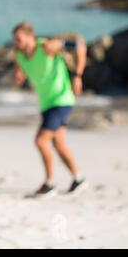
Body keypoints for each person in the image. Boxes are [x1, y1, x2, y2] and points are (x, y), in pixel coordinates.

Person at [12, 21, 88, 198]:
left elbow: (80, 47)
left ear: (31, 37)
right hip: (46, 104)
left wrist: (77, 76)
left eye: (19, 39)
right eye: (14, 40)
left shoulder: (46, 46)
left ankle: (49, 183)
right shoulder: (19, 55)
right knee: (58, 144)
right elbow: (19, 71)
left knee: (40, 141)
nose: (16, 44)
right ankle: (79, 178)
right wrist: (18, 75)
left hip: (61, 100)